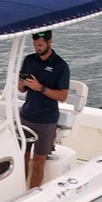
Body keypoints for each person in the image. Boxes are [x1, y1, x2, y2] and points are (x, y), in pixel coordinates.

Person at [17, 30, 70, 189]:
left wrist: (41, 88)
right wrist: (24, 84)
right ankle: (21, 191)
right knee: (23, 158)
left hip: (46, 121)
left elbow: (62, 96)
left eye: (40, 45)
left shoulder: (61, 66)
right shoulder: (29, 60)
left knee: (39, 162)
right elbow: (21, 89)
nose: (37, 48)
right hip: (26, 116)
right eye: (34, 45)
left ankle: (32, 194)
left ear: (49, 42)